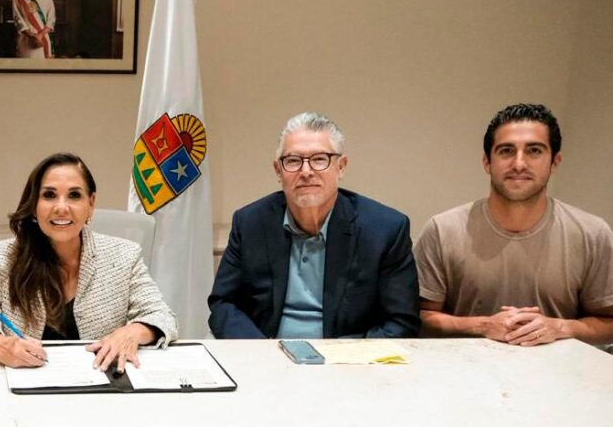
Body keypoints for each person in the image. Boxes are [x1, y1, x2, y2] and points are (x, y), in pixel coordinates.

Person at [0, 153, 177, 371]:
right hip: (25, 382)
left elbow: (162, 316)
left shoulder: (124, 255)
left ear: (91, 203)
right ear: (34, 205)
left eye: (74, 195)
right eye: (49, 195)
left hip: (101, 380)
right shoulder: (6, 255)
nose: (61, 207)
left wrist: (132, 332)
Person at [414, 103, 613, 346]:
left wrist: (560, 327)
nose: (519, 164)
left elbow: (608, 323)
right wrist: (483, 326)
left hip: (560, 368)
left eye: (534, 151)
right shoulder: (442, 230)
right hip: (464, 367)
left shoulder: (592, 234)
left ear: (555, 162)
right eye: (506, 151)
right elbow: (420, 317)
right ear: (487, 162)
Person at [208, 112, 419, 339]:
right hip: (265, 351)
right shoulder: (250, 223)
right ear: (278, 170)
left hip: (345, 357)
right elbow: (223, 303)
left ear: (341, 167)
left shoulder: (384, 231)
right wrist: (262, 352)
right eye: (293, 160)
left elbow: (401, 322)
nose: (306, 172)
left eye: (319, 159)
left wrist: (336, 355)